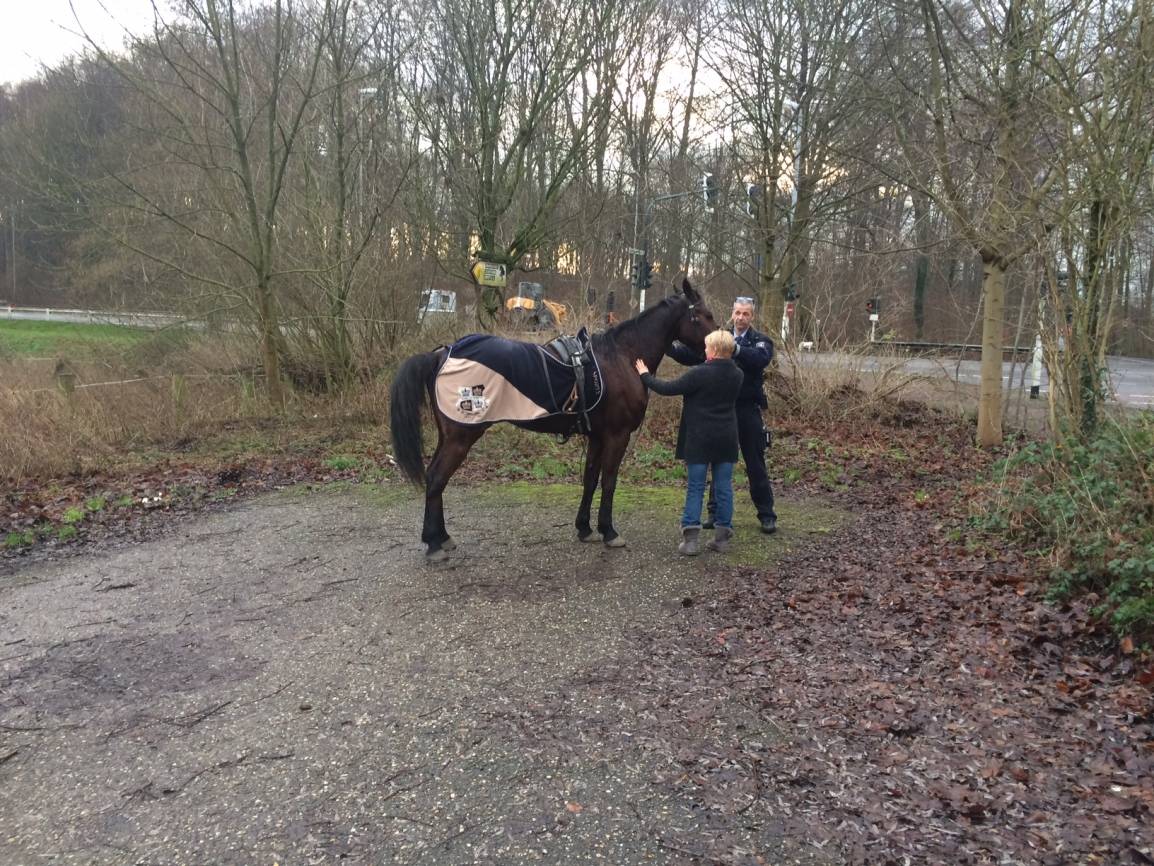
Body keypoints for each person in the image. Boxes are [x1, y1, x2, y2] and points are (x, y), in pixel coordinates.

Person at [667, 295, 777, 534]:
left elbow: (760, 359)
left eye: (746, 313)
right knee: (718, 461)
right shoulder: (719, 338)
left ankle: (766, 513)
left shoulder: (760, 341)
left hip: (747, 409)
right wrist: (668, 347)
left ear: (752, 316)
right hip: (721, 411)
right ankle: (714, 513)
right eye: (737, 312)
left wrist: (735, 348)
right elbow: (695, 355)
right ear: (732, 312)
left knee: (755, 462)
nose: (740, 318)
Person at [634, 329, 743, 556]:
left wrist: (644, 374)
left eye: (706, 346)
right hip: (727, 438)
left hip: (699, 438)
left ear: (713, 350)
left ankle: (691, 540)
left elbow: (666, 389)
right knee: (723, 488)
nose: (704, 350)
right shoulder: (737, 374)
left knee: (696, 488)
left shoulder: (699, 374)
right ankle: (722, 540)